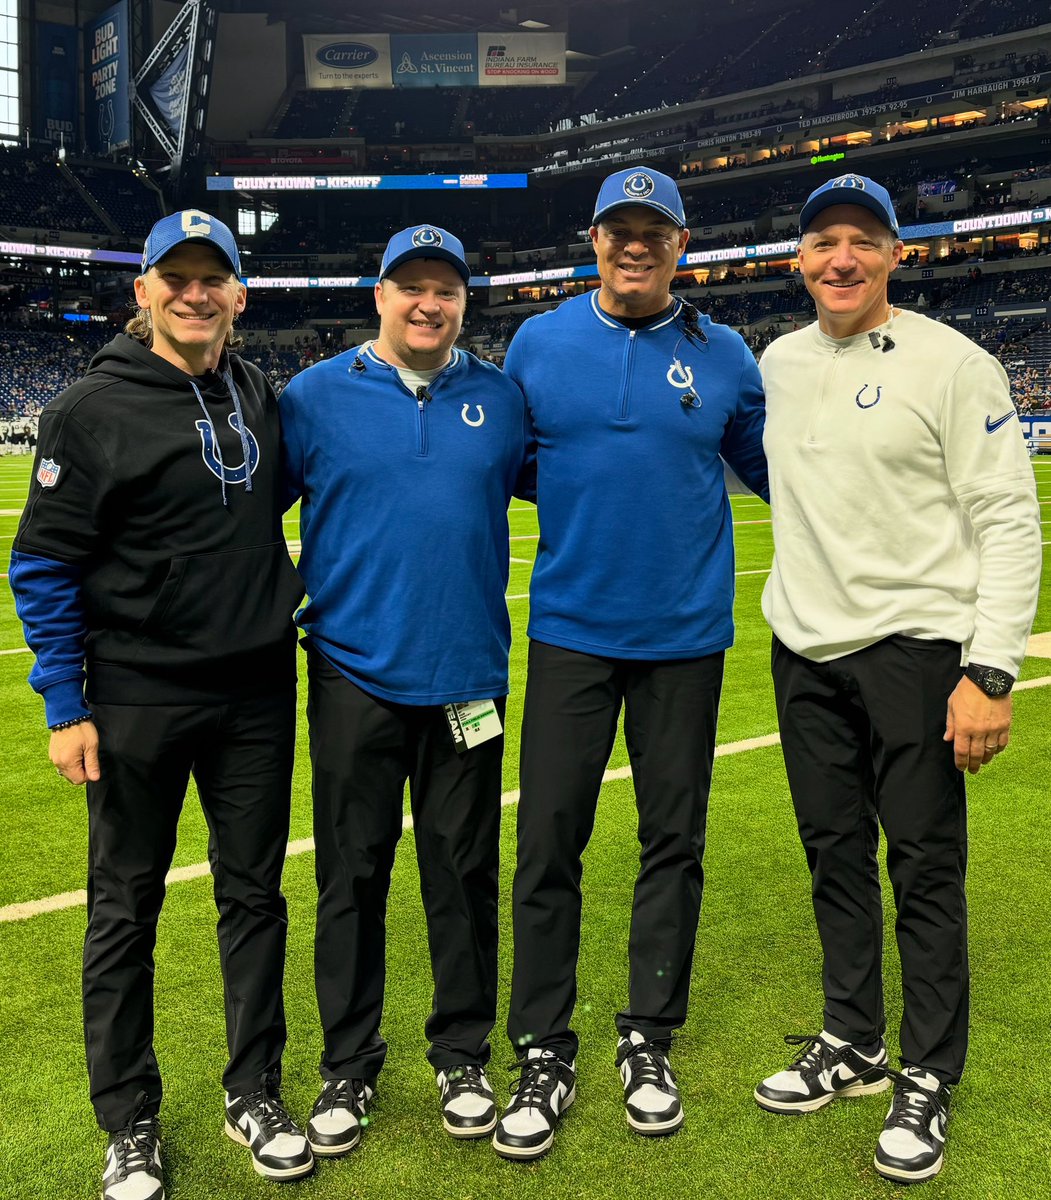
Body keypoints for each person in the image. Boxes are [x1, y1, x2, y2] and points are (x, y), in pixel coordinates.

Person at [10, 210, 312, 1199]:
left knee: (253, 896)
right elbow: (44, 563)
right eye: (173, 277)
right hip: (137, 696)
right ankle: (128, 1121)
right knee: (123, 907)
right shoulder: (91, 407)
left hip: (258, 694)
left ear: (237, 293)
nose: (193, 292)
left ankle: (252, 1092)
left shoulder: (258, 394)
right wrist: (65, 705)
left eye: (210, 277)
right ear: (142, 291)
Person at [752, 174, 1041, 1183]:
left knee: (922, 866)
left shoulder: (953, 364)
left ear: (894, 256)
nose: (839, 258)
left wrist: (990, 669)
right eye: (822, 239)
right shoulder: (777, 361)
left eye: (860, 242)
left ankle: (927, 1073)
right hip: (804, 649)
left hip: (915, 652)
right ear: (797, 258)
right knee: (833, 855)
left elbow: (1007, 518)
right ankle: (853, 1044)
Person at [491, 166, 768, 1160]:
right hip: (569, 631)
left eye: (654, 231)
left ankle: (647, 1036)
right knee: (546, 846)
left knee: (672, 844)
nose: (635, 245)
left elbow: (774, 469)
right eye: (619, 229)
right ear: (593, 239)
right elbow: (514, 462)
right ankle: (541, 1046)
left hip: (685, 639)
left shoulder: (727, 353)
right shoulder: (539, 339)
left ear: (680, 244)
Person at [279, 226, 530, 1156]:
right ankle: (348, 1065)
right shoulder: (311, 397)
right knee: (352, 875)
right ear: (377, 295)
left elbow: (576, 488)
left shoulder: (501, 400)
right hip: (353, 673)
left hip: (468, 676)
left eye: (447, 291)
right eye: (411, 287)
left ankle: (460, 1053)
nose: (430, 304)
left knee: (464, 876)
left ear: (465, 302)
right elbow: (240, 518)